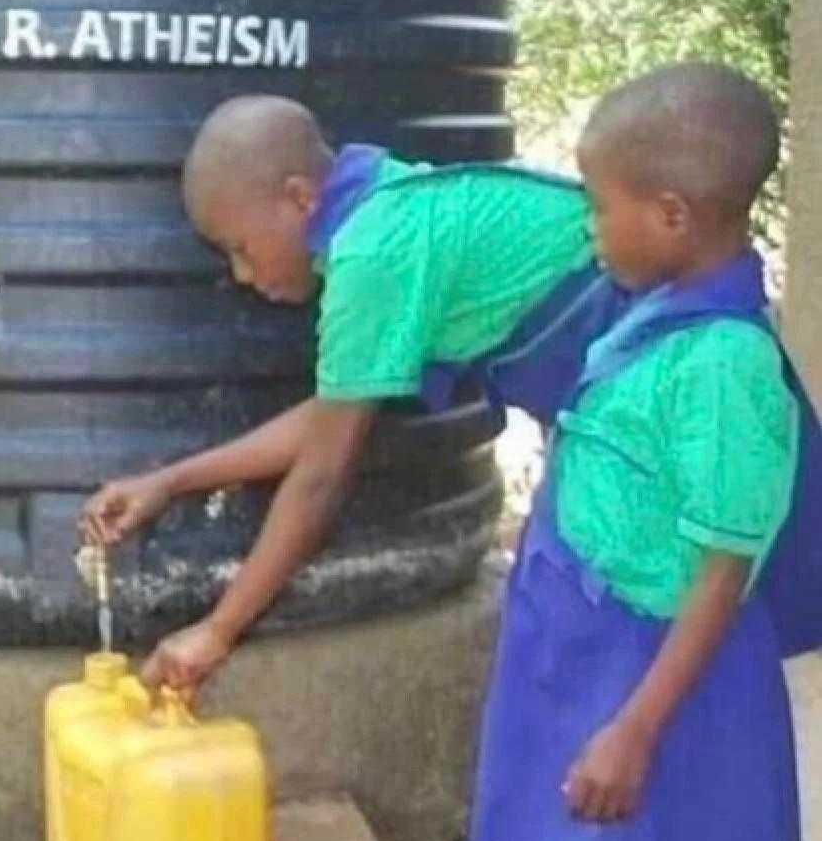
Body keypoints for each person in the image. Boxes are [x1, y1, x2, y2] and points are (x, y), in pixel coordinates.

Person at [80, 95, 626, 691]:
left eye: (241, 247)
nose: (241, 274)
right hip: (616, 399)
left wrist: (217, 629)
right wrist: (172, 482)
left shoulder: (370, 256)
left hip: (640, 407)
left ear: (299, 198)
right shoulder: (383, 206)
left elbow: (321, 476)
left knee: (594, 636)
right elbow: (332, 417)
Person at [466, 63, 818, 841]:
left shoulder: (724, 369)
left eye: (596, 207)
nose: (589, 233)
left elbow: (722, 572)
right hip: (580, 659)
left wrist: (633, 729)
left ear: (670, 215)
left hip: (657, 677)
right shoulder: (649, 314)